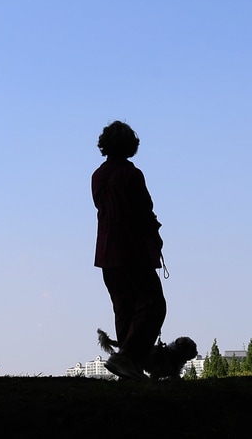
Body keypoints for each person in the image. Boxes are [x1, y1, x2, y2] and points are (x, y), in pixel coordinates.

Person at [92, 120, 166, 380]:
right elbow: (143, 211)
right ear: (130, 145)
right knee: (153, 305)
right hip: (133, 249)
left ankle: (128, 365)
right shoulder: (132, 175)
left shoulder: (98, 176)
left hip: (106, 253)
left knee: (123, 308)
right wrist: (154, 237)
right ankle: (128, 358)